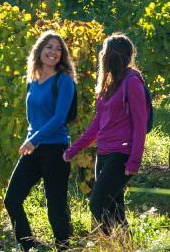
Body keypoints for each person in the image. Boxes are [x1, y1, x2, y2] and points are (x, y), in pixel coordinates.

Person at [63, 33, 148, 235]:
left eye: (104, 52)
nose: (101, 55)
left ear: (111, 56)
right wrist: (73, 150)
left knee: (97, 204)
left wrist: (134, 161)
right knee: (115, 208)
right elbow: (97, 125)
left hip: (121, 155)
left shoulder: (132, 82)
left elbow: (140, 124)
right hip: (104, 153)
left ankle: (112, 249)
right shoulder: (110, 85)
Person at [3, 31, 76, 252]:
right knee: (12, 200)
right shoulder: (32, 80)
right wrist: (32, 138)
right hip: (34, 148)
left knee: (56, 207)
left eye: (58, 49)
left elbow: (59, 118)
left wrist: (34, 139)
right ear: (40, 50)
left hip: (55, 148)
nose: (53, 52)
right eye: (49, 47)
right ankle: (30, 251)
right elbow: (33, 118)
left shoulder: (64, 80)